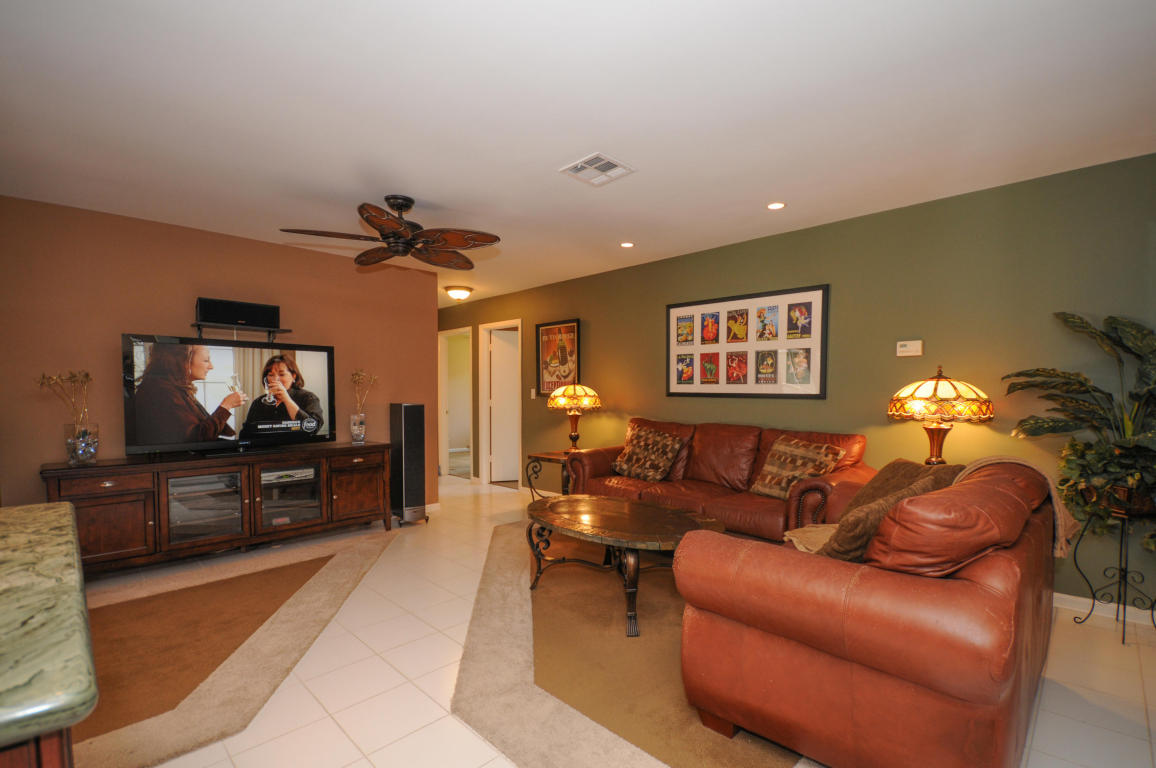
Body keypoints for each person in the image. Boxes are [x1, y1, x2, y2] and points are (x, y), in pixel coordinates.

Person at [131, 344, 247, 446]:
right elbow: (195, 439)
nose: (211, 366)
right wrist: (226, 406)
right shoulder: (161, 392)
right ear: (184, 361)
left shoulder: (173, 388)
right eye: (206, 360)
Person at [241, 354, 324, 436]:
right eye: (271, 375)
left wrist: (287, 399)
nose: (275, 379)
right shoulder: (259, 402)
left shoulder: (308, 397)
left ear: (293, 376)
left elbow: (313, 428)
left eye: (281, 374)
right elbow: (245, 434)